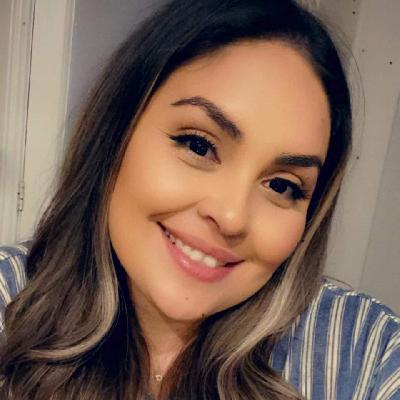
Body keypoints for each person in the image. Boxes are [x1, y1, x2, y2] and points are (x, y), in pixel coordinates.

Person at [0, 0, 399, 399]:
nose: (231, 216)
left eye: (281, 186)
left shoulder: (368, 352)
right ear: (116, 134)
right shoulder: (9, 300)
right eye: (198, 145)